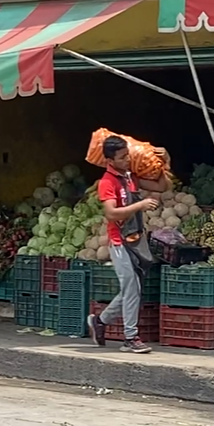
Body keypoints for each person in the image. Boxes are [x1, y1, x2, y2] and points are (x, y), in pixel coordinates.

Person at [87, 136, 170, 354]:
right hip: (119, 241)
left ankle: (100, 321)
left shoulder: (131, 177)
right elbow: (111, 213)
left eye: (128, 155)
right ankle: (131, 337)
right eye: (122, 157)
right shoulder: (107, 182)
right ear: (110, 160)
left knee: (131, 289)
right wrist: (141, 204)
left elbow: (162, 186)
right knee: (132, 288)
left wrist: (166, 162)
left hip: (136, 240)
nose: (127, 160)